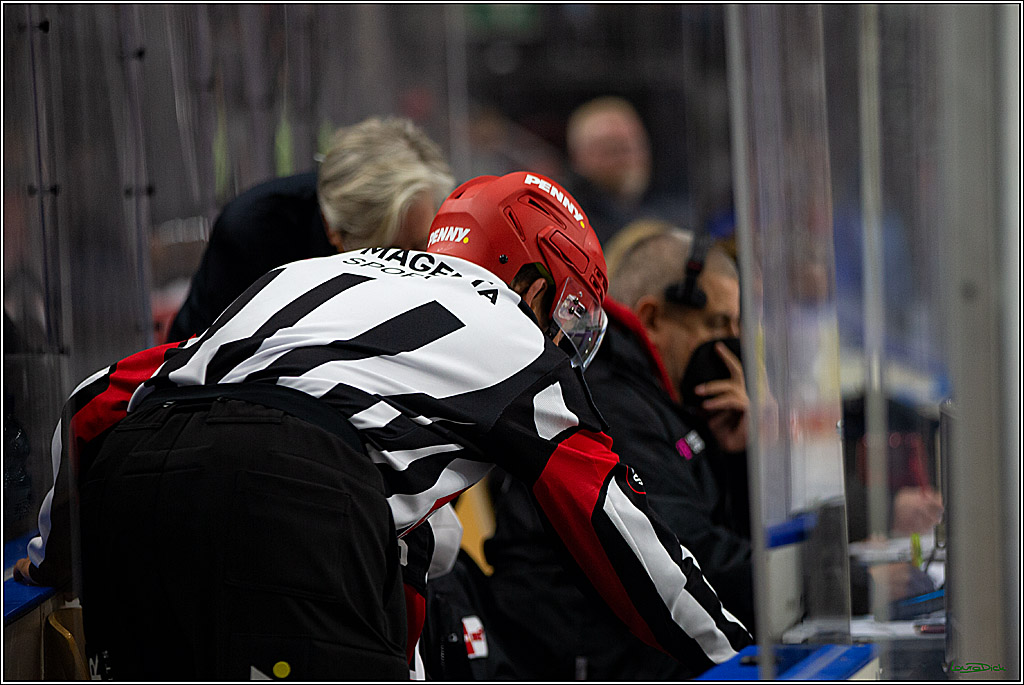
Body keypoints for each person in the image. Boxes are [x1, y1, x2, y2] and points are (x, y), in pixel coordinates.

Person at [17, 171, 751, 680]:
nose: (566, 343)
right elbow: (613, 518)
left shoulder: (306, 275)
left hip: (129, 483)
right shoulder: (517, 337)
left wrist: (54, 559)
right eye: (570, 317)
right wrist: (733, 658)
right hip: (295, 495)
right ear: (532, 284)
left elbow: (96, 400)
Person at [484, 225, 753, 680]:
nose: (730, 346)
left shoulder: (657, 400)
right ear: (651, 320)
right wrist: (822, 576)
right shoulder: (612, 403)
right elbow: (689, 555)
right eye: (716, 325)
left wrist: (738, 455)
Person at [166, 116, 455, 341]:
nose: (410, 270)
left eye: (420, 247)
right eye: (389, 254)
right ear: (334, 230)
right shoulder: (254, 231)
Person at [563, 96, 678, 245]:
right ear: (577, 157)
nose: (628, 159)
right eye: (612, 149)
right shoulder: (567, 224)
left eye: (634, 146)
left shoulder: (663, 213)